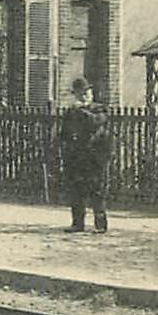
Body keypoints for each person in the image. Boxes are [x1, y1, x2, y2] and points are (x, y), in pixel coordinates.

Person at [59, 77, 112, 233]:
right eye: (80, 94)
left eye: (87, 93)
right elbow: (64, 133)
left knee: (97, 191)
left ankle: (100, 225)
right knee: (76, 191)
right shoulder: (71, 112)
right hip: (77, 158)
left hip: (96, 158)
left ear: (92, 93)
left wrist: (81, 110)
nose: (84, 96)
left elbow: (95, 122)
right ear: (75, 95)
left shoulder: (100, 109)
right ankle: (77, 224)